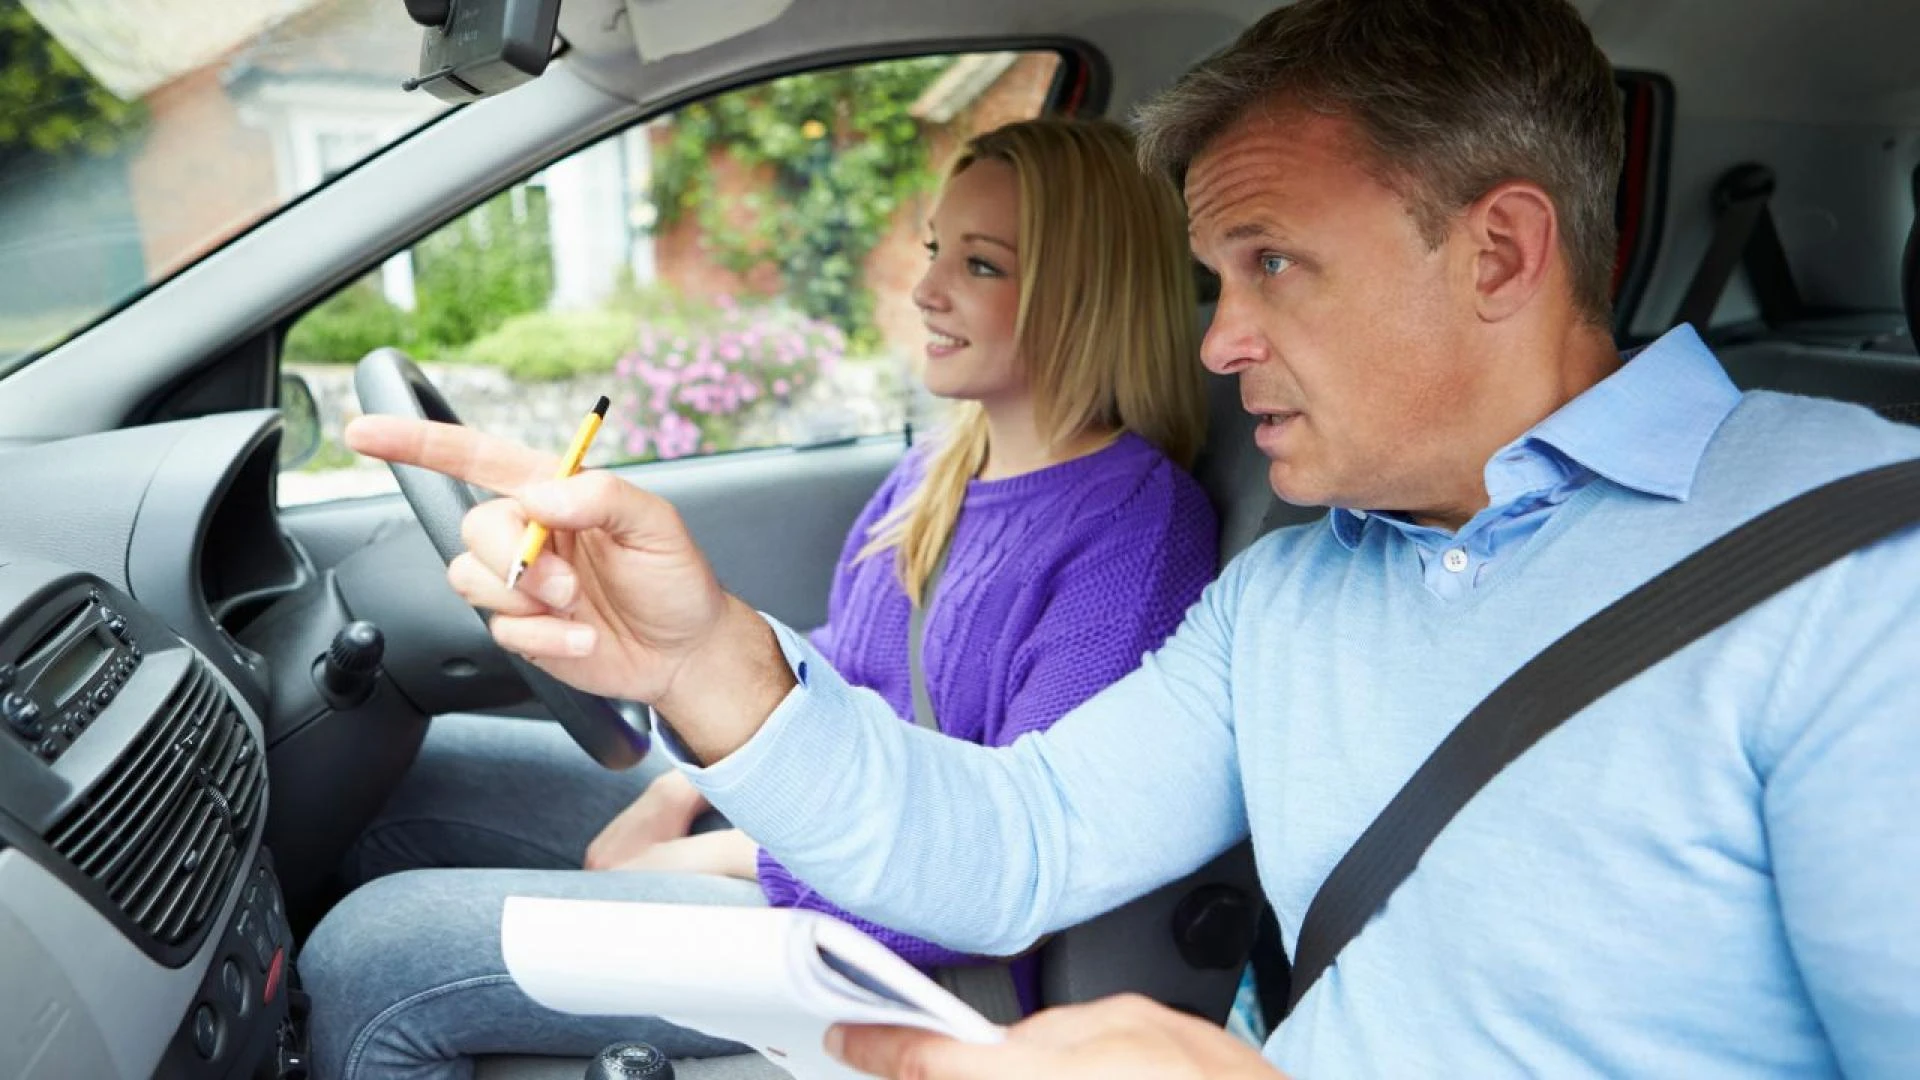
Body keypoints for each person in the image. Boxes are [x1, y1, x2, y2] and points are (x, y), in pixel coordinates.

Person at [345, 0, 1920, 1076]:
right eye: (1209, 281)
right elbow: (1014, 840)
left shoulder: (1863, 573)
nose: (1220, 346)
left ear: (1499, 250)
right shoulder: (1296, 591)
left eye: (1271, 266)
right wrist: (710, 663)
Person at [299, 116, 1221, 1079]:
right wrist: (678, 784)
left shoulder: (1137, 537)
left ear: (1089, 292)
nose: (924, 289)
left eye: (981, 266)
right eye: (937, 249)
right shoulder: (942, 465)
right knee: (411, 769)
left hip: (891, 950)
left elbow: (993, 872)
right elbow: (841, 665)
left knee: (372, 957)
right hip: (801, 834)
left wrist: (703, 857)